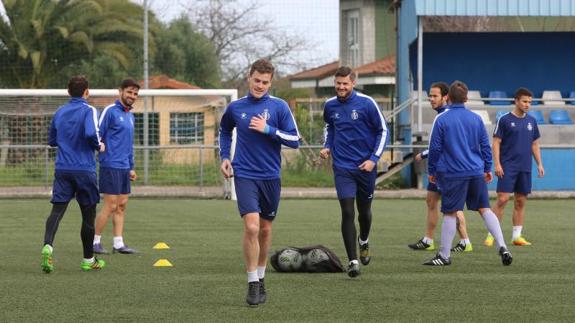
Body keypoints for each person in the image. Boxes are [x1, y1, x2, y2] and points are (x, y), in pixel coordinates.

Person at [219, 59, 300, 306]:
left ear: (270, 82)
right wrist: (225, 156)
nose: (260, 85)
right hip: (244, 174)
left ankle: (262, 277)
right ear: (249, 77)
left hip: (271, 177)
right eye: (257, 80)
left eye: (265, 82)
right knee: (252, 227)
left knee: (265, 230)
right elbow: (224, 131)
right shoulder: (236, 108)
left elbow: (295, 140)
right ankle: (252, 282)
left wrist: (269, 129)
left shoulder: (279, 107)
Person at [424, 80, 512, 266]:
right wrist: (487, 168)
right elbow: (485, 146)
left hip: (453, 173)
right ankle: (503, 246)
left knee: (449, 213)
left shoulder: (442, 119)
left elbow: (435, 148)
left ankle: (444, 256)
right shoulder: (476, 118)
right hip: (475, 171)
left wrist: (431, 171)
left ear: (448, 98)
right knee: (485, 209)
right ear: (466, 98)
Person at [320, 66, 388, 277]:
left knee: (364, 213)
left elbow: (383, 130)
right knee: (347, 211)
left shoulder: (367, 103)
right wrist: (327, 145)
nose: (341, 87)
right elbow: (329, 127)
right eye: (338, 83)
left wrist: (373, 159)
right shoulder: (330, 105)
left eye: (345, 84)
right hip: (342, 167)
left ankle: (364, 240)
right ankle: (353, 261)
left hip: (365, 168)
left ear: (353, 83)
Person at [41, 75, 106, 273]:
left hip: (62, 169)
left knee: (57, 211)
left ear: (68, 92)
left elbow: (52, 140)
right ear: (87, 92)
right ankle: (88, 260)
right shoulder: (89, 110)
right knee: (88, 215)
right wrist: (99, 145)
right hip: (84, 169)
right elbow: (90, 133)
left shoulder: (60, 111)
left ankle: (48, 245)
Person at [409, 82, 472, 252]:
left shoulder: (447, 115)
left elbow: (445, 144)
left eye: (435, 96)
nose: (431, 99)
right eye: (430, 95)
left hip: (448, 169)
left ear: (446, 97)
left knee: (452, 206)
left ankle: (465, 241)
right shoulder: (441, 115)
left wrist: (424, 155)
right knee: (431, 200)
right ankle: (428, 239)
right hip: (442, 167)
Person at [484, 87, 544, 247]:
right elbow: (496, 143)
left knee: (520, 201)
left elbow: (535, 143)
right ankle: (491, 234)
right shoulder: (504, 120)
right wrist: (496, 164)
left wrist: (539, 163)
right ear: (516, 101)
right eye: (524, 101)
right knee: (503, 199)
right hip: (507, 167)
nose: (527, 105)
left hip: (525, 167)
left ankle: (516, 236)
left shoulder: (532, 121)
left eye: (530, 102)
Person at [93, 79, 140, 255]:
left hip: (124, 166)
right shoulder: (110, 111)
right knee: (110, 205)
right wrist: (100, 147)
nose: (132, 96)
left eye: (135, 94)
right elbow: (97, 133)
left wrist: (131, 167)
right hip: (110, 165)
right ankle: (94, 241)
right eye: (129, 92)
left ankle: (118, 243)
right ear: (120, 91)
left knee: (122, 205)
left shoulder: (130, 115)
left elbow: (128, 144)